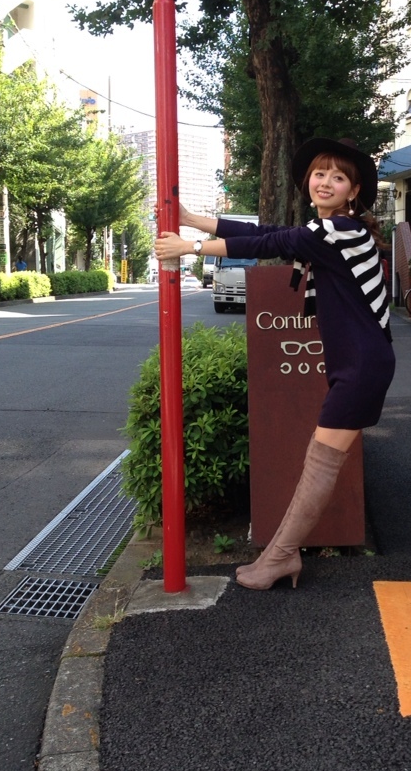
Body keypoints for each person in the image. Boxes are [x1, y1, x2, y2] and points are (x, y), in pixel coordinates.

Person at [154, 137, 395, 591]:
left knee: (321, 463)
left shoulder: (338, 231)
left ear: (354, 190)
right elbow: (269, 231)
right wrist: (191, 219)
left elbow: (271, 241)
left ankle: (281, 557)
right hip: (356, 361)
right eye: (320, 174)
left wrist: (191, 247)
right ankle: (280, 556)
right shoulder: (328, 230)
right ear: (308, 181)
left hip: (362, 366)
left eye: (338, 177)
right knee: (319, 459)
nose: (326, 182)